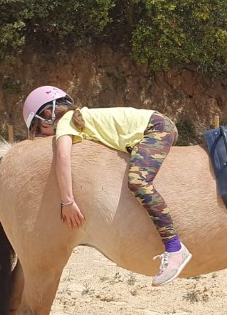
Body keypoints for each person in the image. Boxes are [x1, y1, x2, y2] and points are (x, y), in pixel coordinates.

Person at [22, 85, 193, 287]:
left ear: (48, 114)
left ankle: (174, 248)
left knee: (138, 180)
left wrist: (67, 201)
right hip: (155, 125)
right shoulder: (78, 119)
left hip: (156, 127)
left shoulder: (66, 123)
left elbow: (63, 156)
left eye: (39, 129)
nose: (43, 136)